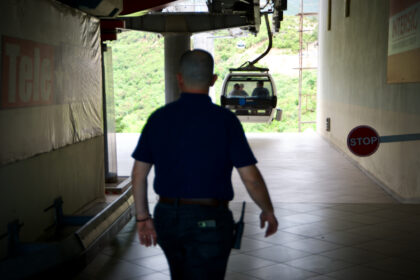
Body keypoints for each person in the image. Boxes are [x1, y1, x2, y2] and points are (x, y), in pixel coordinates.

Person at [131, 49, 278, 280]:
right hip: (210, 219)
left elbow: (139, 174)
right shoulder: (226, 121)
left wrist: (142, 217)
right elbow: (250, 177)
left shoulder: (158, 119)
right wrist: (267, 210)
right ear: (213, 80)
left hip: (168, 218)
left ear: (179, 78)